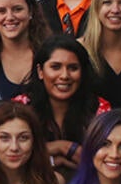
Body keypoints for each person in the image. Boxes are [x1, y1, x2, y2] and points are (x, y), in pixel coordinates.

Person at [14, 36, 110, 170]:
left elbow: (109, 156)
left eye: (73, 68)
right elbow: (7, 152)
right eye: (55, 67)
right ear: (40, 71)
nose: (64, 75)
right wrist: (62, 147)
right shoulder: (20, 107)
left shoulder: (100, 109)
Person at [0, 0, 49, 100]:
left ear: (31, 12)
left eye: (17, 9)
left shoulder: (50, 54)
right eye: (1, 11)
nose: (9, 17)